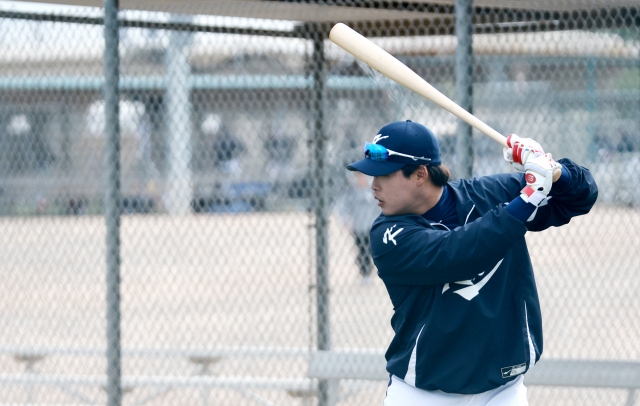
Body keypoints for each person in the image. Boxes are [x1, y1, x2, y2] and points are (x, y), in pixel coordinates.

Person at [346, 120, 598, 405]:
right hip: (424, 391)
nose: (373, 185)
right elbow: (458, 253)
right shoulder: (387, 235)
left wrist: (552, 171)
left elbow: (581, 196)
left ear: (419, 174)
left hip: (502, 389)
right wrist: (528, 198)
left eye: (384, 175)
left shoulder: (487, 196)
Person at [335, 171, 381, 283]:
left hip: (371, 225)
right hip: (358, 226)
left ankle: (372, 272)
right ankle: (365, 274)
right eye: (358, 176)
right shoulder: (351, 191)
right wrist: (345, 219)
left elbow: (379, 207)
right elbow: (342, 207)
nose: (360, 178)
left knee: (372, 250)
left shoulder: (373, 190)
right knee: (361, 250)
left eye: (362, 176)